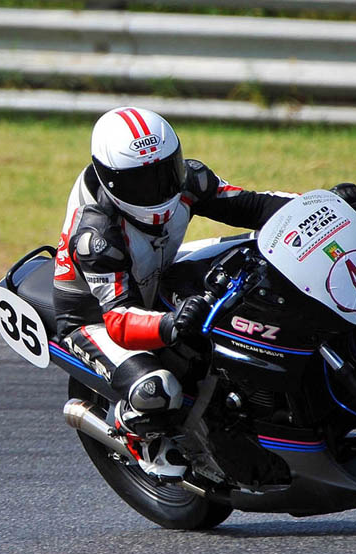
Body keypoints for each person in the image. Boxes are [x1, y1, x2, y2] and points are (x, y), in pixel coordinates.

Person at [52, 106, 300, 479]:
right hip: (94, 315)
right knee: (157, 389)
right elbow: (119, 317)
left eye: (165, 171)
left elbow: (253, 204)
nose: (158, 188)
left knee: (255, 256)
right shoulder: (98, 238)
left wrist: (320, 207)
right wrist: (170, 324)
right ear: (111, 181)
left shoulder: (190, 180)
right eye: (140, 182)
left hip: (157, 271)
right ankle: (134, 430)